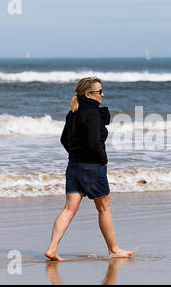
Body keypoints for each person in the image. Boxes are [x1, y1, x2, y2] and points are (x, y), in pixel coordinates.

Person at [45, 77, 135, 260]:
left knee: (69, 209)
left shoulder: (73, 112)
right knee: (104, 208)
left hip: (74, 166)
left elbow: (64, 140)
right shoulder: (92, 114)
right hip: (92, 167)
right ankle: (114, 249)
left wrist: (76, 154)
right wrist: (103, 160)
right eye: (99, 91)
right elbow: (94, 143)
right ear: (88, 94)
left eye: (102, 91)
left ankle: (52, 248)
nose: (102, 94)